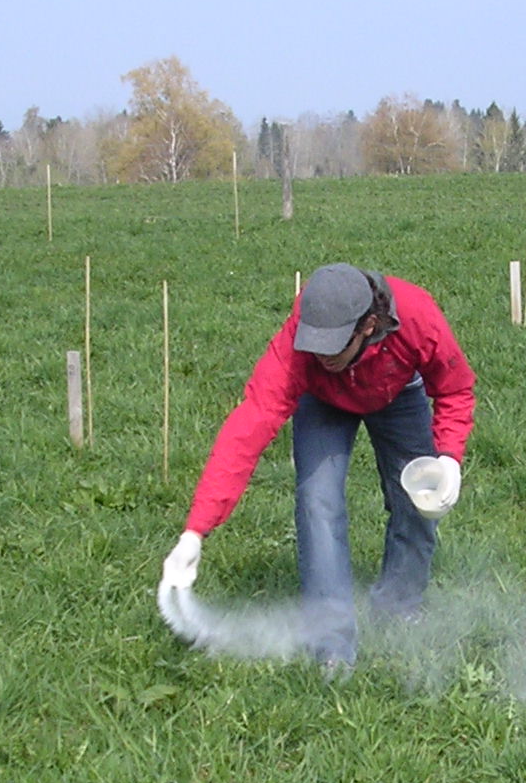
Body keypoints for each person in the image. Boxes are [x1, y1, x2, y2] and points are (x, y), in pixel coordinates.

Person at [160, 262, 475, 670]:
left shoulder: (417, 316)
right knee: (317, 501)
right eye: (314, 345)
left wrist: (448, 457)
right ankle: (332, 644)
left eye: (331, 347)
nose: (320, 354)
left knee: (418, 501)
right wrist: (195, 532)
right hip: (324, 401)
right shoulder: (301, 346)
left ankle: (399, 608)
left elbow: (455, 388)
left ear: (369, 326)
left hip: (397, 389)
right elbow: (249, 425)